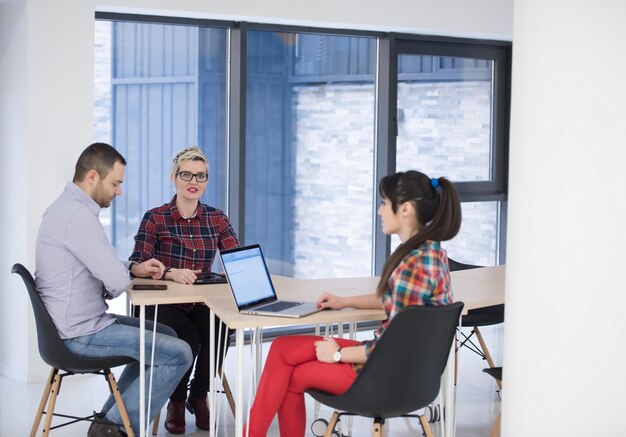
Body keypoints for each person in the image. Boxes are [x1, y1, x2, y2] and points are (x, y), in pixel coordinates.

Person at [244, 170, 462, 437]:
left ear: (404, 209)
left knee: (293, 373)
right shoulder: (431, 253)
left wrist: (336, 355)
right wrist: (343, 302)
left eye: (384, 203)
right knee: (282, 348)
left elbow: (390, 345)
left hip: (385, 375)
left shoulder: (412, 266)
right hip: (405, 371)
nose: (380, 211)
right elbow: (396, 303)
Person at [35, 142, 193, 437]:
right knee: (179, 353)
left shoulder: (68, 208)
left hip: (75, 323)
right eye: (116, 183)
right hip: (79, 334)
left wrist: (132, 267)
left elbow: (104, 267)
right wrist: (122, 274)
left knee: (166, 335)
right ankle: (114, 429)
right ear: (93, 177)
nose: (119, 191)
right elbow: (117, 284)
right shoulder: (78, 217)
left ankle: (108, 421)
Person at [130, 146, 239, 434]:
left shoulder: (217, 218)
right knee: (188, 337)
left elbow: (236, 257)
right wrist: (168, 272)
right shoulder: (155, 218)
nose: (194, 181)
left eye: (201, 176)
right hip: (163, 306)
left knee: (219, 327)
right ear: (174, 178)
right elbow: (136, 264)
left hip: (200, 303)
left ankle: (199, 395)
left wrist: (235, 268)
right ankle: (176, 401)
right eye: (187, 174)